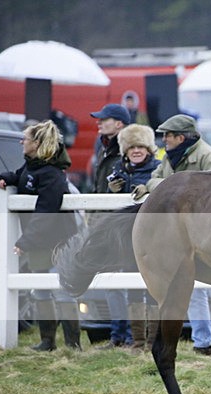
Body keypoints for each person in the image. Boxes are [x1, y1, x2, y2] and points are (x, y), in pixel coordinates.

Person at [132, 114, 211, 355]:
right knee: (193, 292)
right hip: (183, 236)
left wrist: (172, 190)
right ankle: (202, 344)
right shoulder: (170, 157)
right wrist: (164, 188)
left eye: (168, 135)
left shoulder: (207, 156)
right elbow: (156, 180)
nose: (164, 140)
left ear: (180, 137)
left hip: (209, 234)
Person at [0, 120, 81, 351]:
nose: (21, 142)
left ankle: (73, 345)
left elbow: (46, 211)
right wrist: (5, 178)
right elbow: (19, 177)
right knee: (41, 290)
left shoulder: (52, 174)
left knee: (63, 291)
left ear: (37, 143)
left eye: (25, 139)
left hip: (59, 241)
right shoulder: (31, 166)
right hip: (40, 241)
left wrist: (26, 241)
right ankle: (48, 341)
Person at [107, 124, 161, 353]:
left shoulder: (158, 169)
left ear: (149, 149)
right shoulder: (118, 170)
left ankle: (153, 341)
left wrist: (148, 189)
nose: (136, 151)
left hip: (153, 237)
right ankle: (138, 342)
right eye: (132, 147)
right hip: (127, 238)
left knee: (154, 288)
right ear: (125, 150)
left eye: (141, 146)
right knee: (133, 288)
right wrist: (111, 191)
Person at [90, 103, 133, 349]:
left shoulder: (128, 147)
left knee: (126, 281)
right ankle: (118, 335)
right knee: (109, 279)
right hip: (105, 222)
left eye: (103, 119)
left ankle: (129, 336)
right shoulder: (104, 146)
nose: (98, 123)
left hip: (121, 224)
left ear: (118, 124)